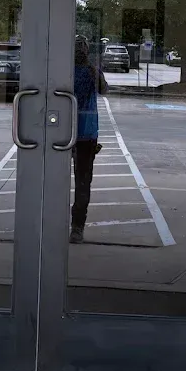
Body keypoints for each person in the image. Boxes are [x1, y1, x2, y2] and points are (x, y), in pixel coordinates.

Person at [70, 37, 107, 244]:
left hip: (65, 131)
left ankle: (75, 225)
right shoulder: (92, 71)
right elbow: (104, 89)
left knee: (60, 180)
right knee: (83, 182)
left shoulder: (62, 71)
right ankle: (77, 227)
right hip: (86, 133)